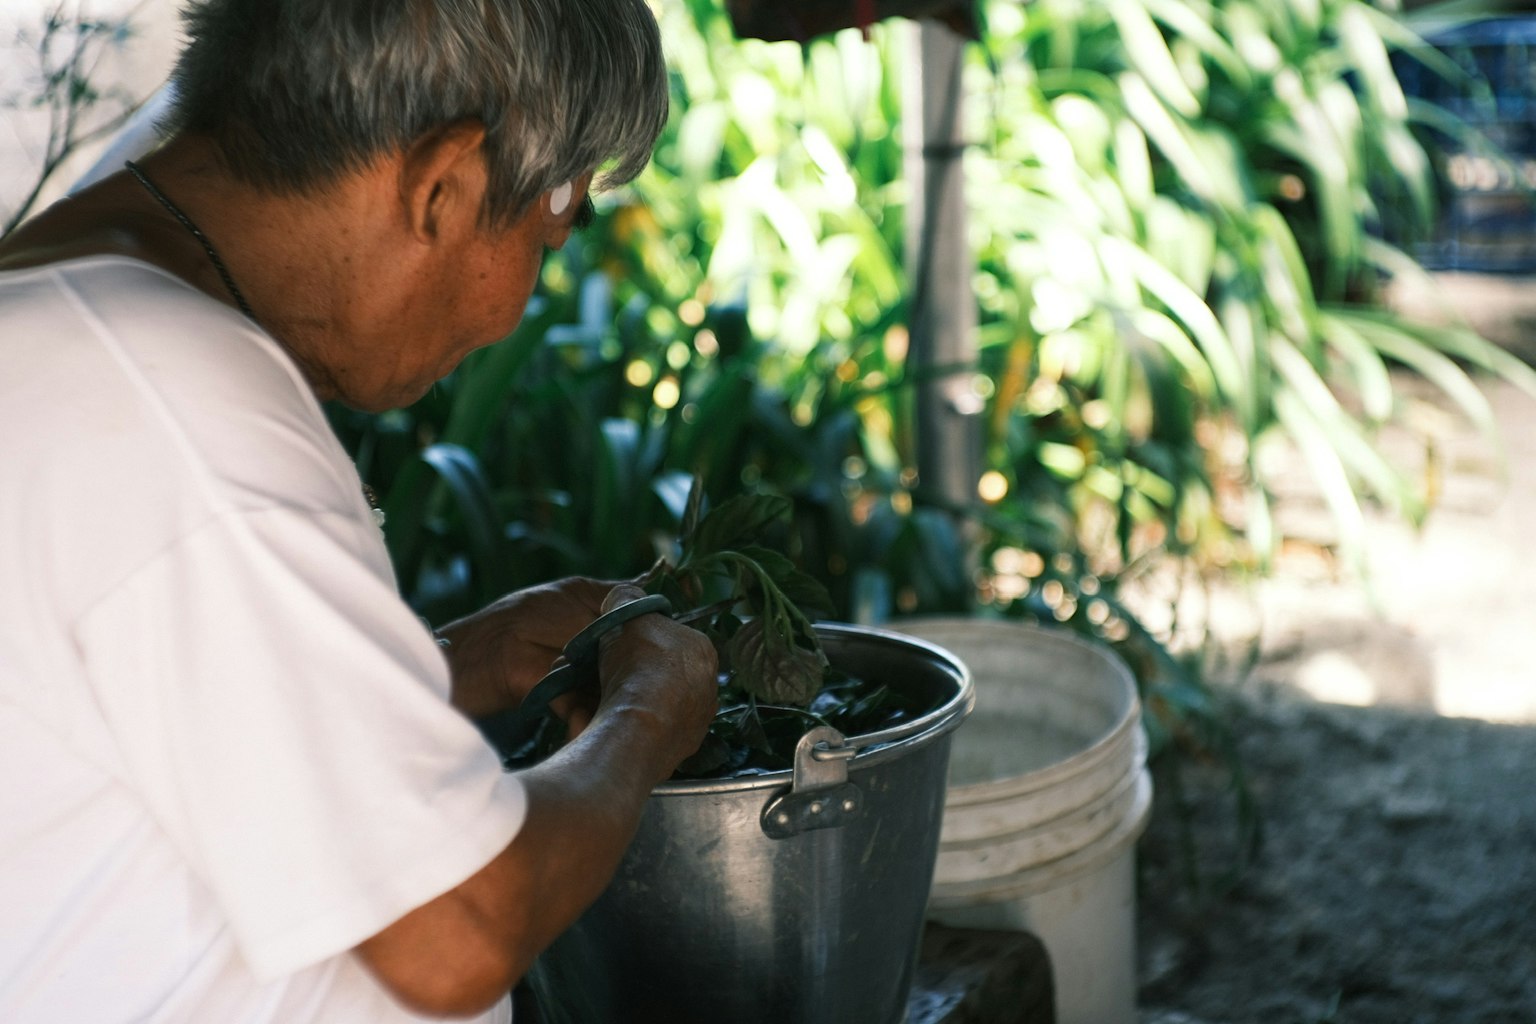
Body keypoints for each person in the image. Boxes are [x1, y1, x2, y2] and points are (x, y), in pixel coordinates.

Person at [0, 1, 720, 1021]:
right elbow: (458, 928)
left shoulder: (63, 320)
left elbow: (172, 750)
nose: (518, 302)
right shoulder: (175, 403)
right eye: (547, 236)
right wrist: (654, 709)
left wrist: (453, 665)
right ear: (445, 185)